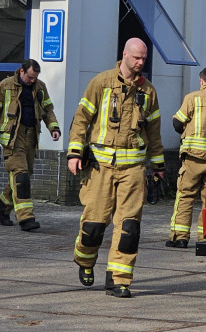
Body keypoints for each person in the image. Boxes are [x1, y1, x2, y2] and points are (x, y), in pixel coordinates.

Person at [67, 38, 165, 298]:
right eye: (136, 58)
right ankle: (85, 259)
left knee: (129, 227)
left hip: (133, 170)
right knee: (95, 225)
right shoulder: (101, 82)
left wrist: (158, 166)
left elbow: (154, 132)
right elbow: (81, 119)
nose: (141, 63)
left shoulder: (149, 92)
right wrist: (75, 152)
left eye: (144, 58)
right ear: (124, 55)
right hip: (100, 168)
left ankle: (119, 279)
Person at [0, 59, 62, 232]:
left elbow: (48, 110)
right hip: (12, 139)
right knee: (20, 176)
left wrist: (53, 128)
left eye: (35, 77)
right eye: (30, 77)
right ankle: (26, 218)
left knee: (21, 177)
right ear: (21, 71)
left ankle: (1, 209)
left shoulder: (40, 87)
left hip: (31, 137)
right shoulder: (5, 86)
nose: (32, 81)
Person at [166, 67, 206, 248]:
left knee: (185, 195)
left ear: (202, 81)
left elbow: (177, 122)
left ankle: (180, 237)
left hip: (193, 156)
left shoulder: (193, 98)